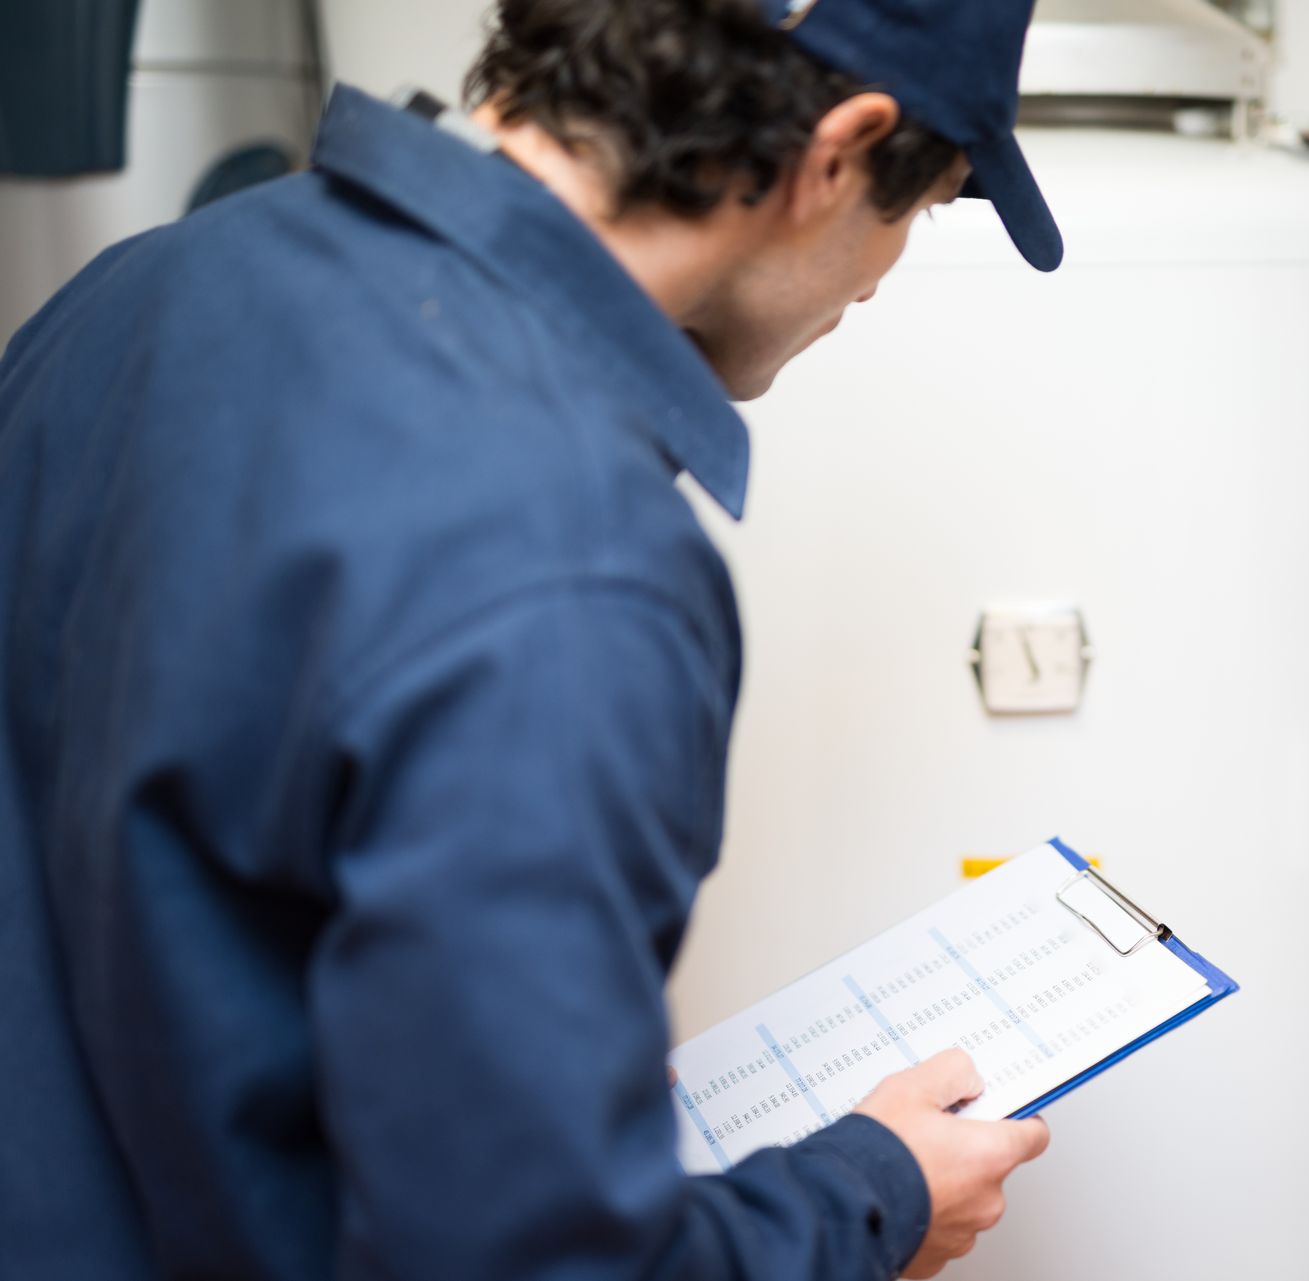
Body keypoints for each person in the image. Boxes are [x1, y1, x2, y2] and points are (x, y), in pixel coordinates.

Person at [0, 0, 1065, 1276]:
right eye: (925, 205)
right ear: (839, 150)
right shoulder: (573, 558)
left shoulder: (139, 290)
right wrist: (870, 1194)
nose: (880, 275)